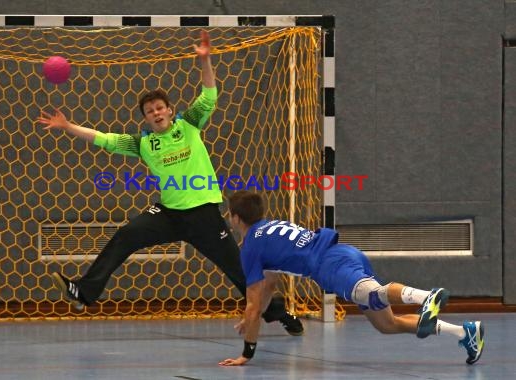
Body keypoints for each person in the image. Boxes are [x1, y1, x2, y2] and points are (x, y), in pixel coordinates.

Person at [36, 30, 303, 336]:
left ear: (169, 111)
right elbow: (104, 139)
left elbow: (209, 94)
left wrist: (205, 60)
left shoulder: (189, 125)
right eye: (149, 112)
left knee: (240, 271)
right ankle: (84, 293)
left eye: (159, 108)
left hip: (203, 215)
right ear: (146, 119)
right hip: (168, 214)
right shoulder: (143, 144)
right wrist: (67, 126)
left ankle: (281, 315)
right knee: (125, 235)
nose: (155, 113)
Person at [218, 190, 485, 366]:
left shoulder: (252, 246)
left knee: (371, 294)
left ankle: (427, 296)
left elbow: (254, 305)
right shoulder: (271, 227)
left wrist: (246, 353)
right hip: (343, 253)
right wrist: (250, 316)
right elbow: (269, 286)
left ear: (235, 217)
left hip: (329, 266)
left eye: (228, 214)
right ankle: (464, 332)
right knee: (387, 324)